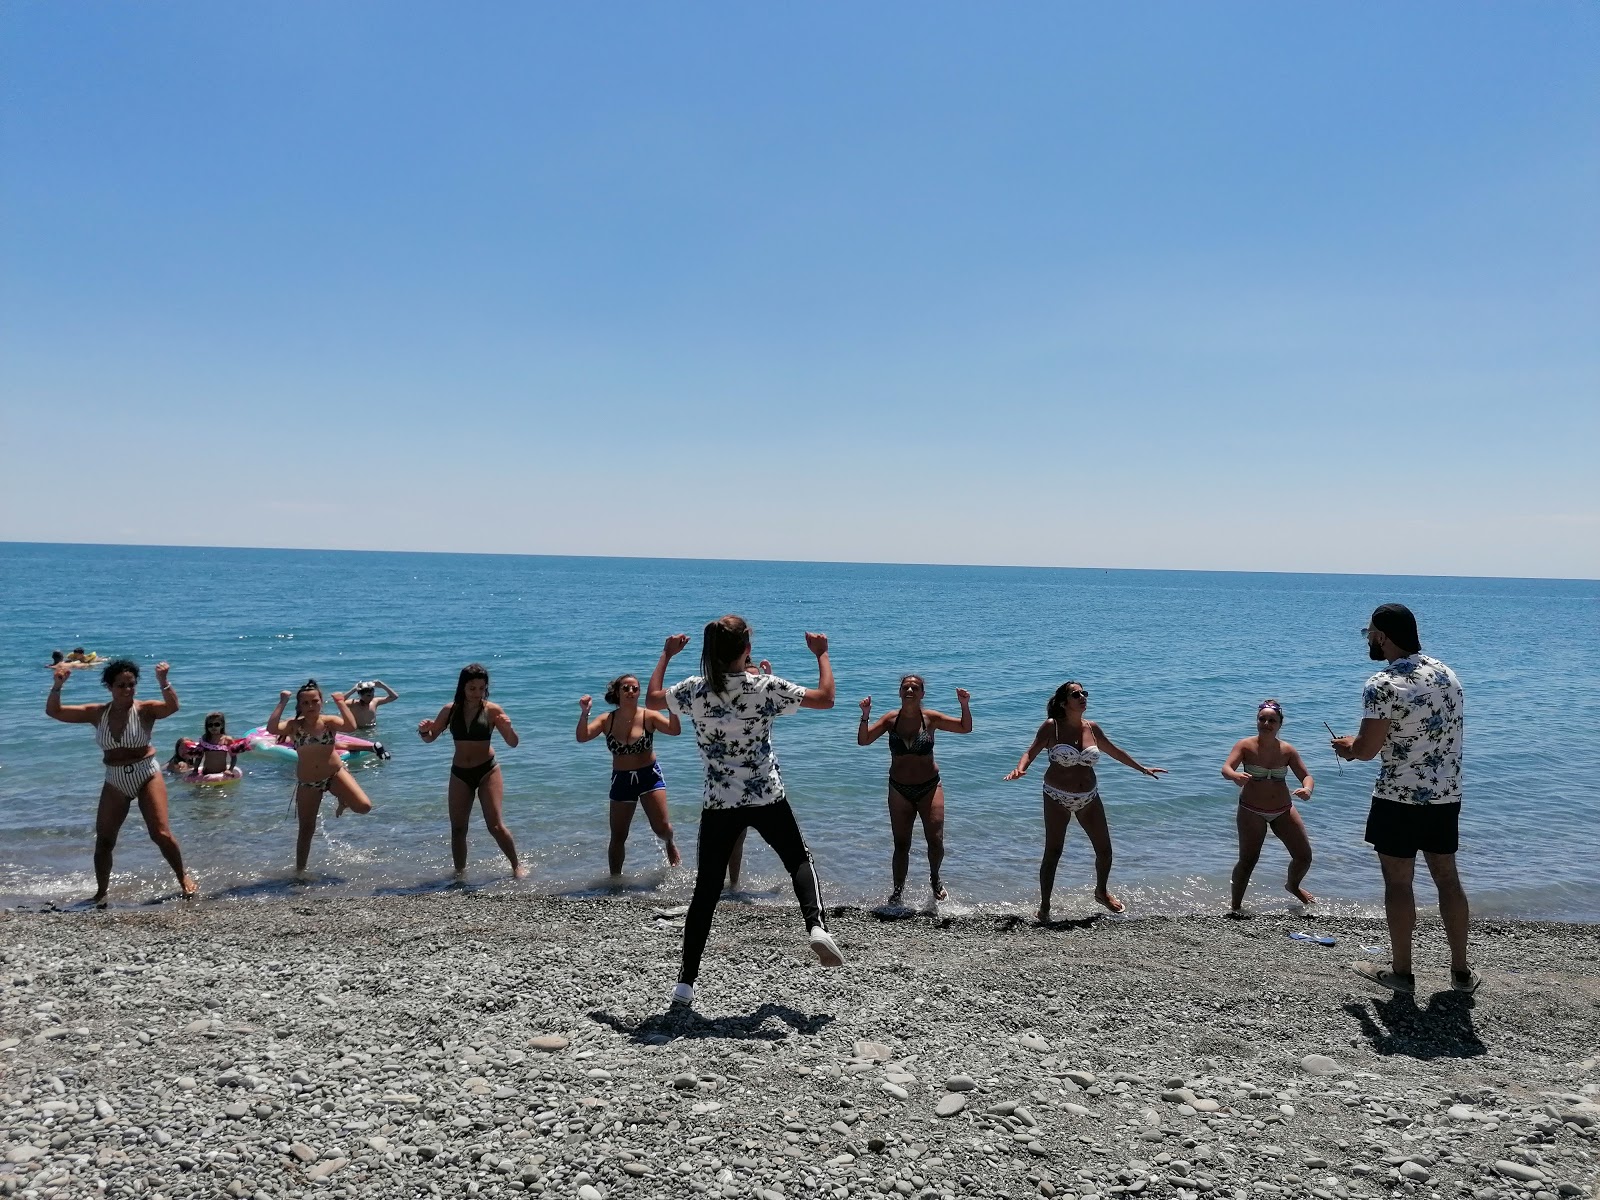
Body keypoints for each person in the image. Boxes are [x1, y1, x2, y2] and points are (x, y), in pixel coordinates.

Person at [646, 617, 841, 1008]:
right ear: (746, 650)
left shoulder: (694, 690)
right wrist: (822, 655)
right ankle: (815, 925)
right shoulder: (765, 686)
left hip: (720, 802)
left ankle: (685, 984)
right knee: (798, 860)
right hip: (767, 795)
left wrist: (666, 656)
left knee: (706, 891)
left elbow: (651, 698)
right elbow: (826, 698)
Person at [1333, 603, 1477, 994]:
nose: (1368, 640)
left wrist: (1347, 746)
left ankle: (1401, 972)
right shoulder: (1448, 674)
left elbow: (1366, 749)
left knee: (1399, 883)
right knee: (1448, 878)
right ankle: (1461, 972)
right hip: (1446, 795)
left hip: (1398, 796)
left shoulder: (1382, 683)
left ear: (1382, 635)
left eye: (1369, 634)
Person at [1004, 680, 1165, 919]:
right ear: (1063, 702)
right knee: (1053, 852)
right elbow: (1031, 751)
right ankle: (1045, 906)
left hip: (1088, 797)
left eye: (1083, 693)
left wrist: (1142, 769)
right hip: (1056, 796)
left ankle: (1101, 892)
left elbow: (1115, 751)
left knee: (1105, 851)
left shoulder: (1092, 728)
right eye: (1075, 694)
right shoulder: (1052, 727)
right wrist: (1020, 768)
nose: (1082, 697)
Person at [45, 659, 198, 905]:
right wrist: (57, 686)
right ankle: (101, 893)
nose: (127, 690)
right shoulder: (98, 713)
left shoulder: (145, 709)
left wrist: (163, 682)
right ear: (109, 687)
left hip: (146, 772)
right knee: (105, 839)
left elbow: (172, 708)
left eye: (131, 685)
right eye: (121, 685)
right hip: (115, 778)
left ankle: (183, 878)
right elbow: (55, 712)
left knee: (160, 833)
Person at [857, 675, 972, 905]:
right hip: (899, 790)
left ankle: (935, 879)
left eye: (915, 687)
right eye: (906, 687)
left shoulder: (931, 718)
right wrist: (865, 716)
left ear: (922, 694)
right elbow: (864, 740)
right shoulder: (891, 719)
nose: (910, 689)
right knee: (901, 845)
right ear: (900, 692)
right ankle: (898, 892)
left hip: (930, 787)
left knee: (936, 841)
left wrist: (964, 704)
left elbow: (964, 728)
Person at [418, 663, 525, 878]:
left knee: (495, 825)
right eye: (472, 688)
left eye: (482, 688)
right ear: (462, 687)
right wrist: (423, 731)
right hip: (460, 773)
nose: (477, 693)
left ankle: (516, 866)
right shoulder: (450, 710)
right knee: (458, 829)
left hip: (487, 771)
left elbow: (513, 742)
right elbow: (430, 738)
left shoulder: (493, 710)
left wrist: (508, 727)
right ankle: (459, 874)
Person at [576, 674, 683, 874]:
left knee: (662, 829)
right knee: (618, 835)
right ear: (617, 692)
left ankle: (669, 842)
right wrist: (585, 714)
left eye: (635, 689)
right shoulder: (607, 720)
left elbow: (674, 730)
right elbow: (582, 737)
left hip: (649, 776)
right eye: (626, 688)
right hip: (621, 780)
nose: (631, 692)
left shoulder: (648, 716)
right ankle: (615, 880)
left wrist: (672, 709)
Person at [267, 680, 375, 875]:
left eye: (314, 702)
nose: (310, 706)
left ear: (321, 702)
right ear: (299, 706)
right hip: (308, 782)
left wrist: (341, 702)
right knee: (306, 829)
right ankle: (300, 871)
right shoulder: (294, 726)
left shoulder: (328, 722)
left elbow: (351, 726)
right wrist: (282, 701)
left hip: (334, 774)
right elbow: (272, 728)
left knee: (364, 806)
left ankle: (342, 798)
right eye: (305, 703)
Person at [1220, 699, 1315, 915]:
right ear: (1257, 721)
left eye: (1272, 720)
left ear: (1280, 723)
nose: (1266, 723)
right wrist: (1234, 775)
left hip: (1283, 809)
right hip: (1251, 810)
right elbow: (1226, 768)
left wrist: (1307, 790)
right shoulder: (1245, 746)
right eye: (1262, 719)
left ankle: (1293, 885)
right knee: (1248, 860)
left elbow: (1306, 776)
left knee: (1304, 856)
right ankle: (1235, 907)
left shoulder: (1287, 750)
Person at [180, 712, 247, 781]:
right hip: (206, 772)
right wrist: (195, 770)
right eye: (210, 725)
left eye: (217, 724)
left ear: (222, 725)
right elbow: (199, 757)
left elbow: (233, 757)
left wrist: (230, 769)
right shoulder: (205, 739)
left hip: (221, 772)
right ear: (207, 726)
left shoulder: (227, 740)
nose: (213, 727)